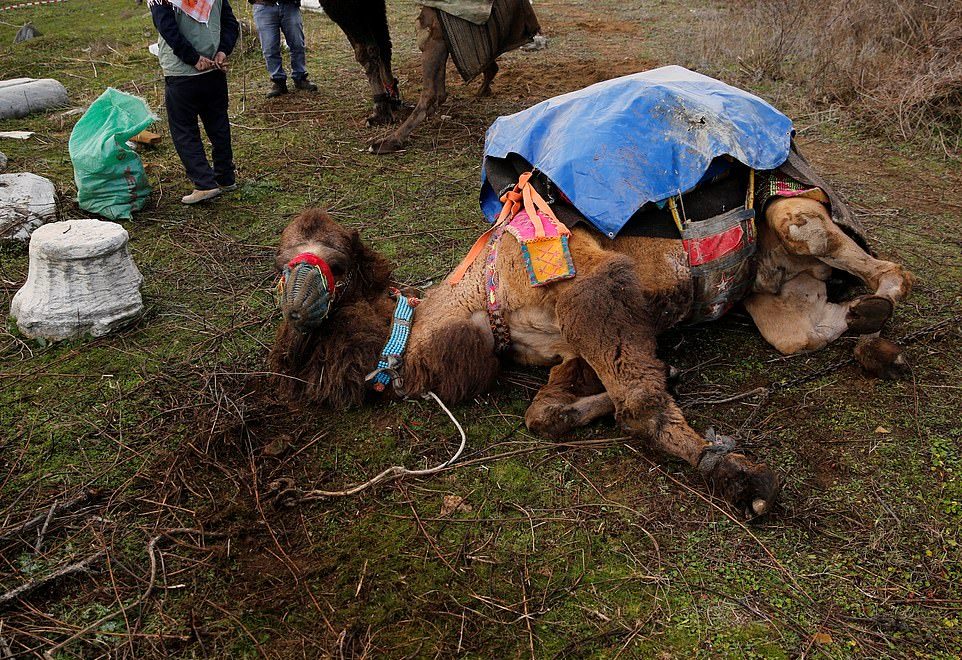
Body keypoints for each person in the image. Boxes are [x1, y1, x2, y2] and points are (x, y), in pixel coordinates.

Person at [149, 0, 239, 205]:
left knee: (184, 129)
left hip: (182, 72)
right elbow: (230, 22)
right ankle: (225, 177)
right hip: (214, 67)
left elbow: (166, 27)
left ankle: (205, 183)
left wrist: (192, 58)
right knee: (218, 124)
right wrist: (223, 51)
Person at [250, 0, 318, 98]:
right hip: (263, 6)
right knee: (269, 48)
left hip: (289, 6)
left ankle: (300, 77)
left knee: (297, 44)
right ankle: (278, 81)